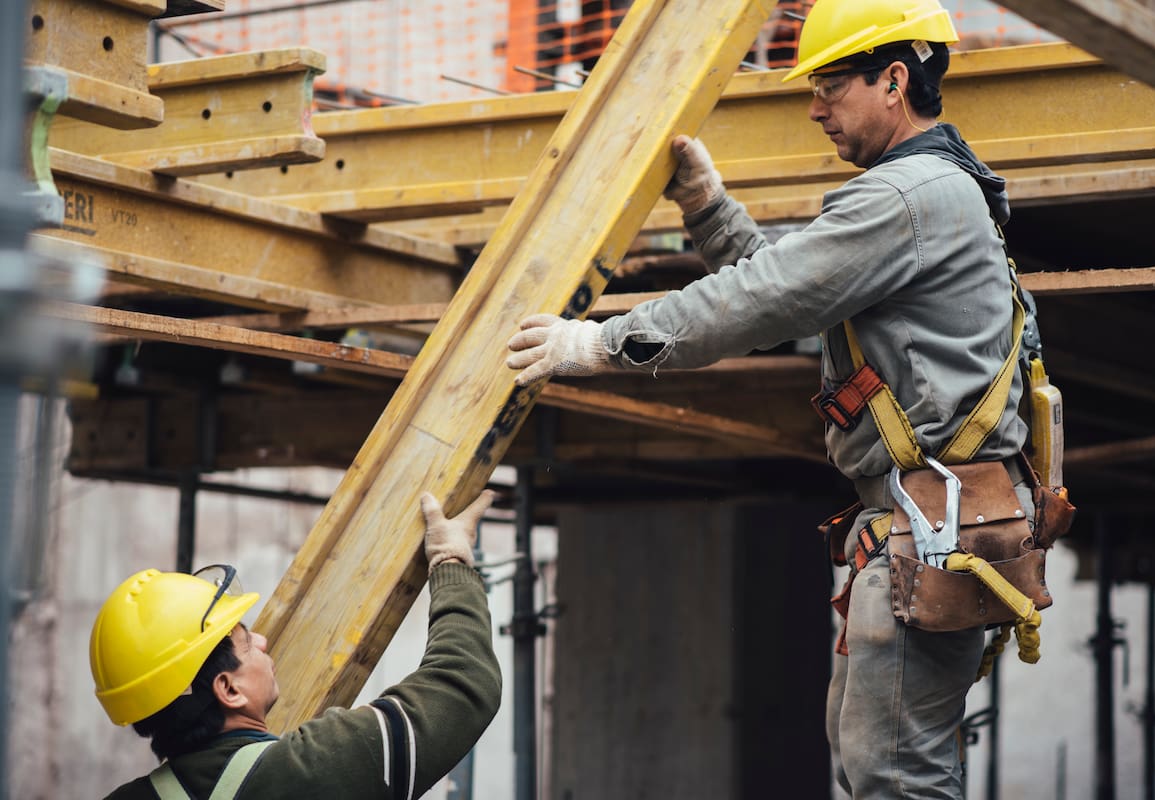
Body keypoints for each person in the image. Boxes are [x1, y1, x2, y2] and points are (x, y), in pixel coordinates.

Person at [505, 1, 1044, 797]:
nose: (815, 107)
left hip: (928, 527)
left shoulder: (906, 195)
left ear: (893, 80)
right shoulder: (934, 191)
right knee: (887, 762)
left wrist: (599, 342)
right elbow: (795, 287)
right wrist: (707, 207)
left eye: (830, 85)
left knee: (893, 774)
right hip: (936, 522)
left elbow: (764, 298)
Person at [90, 489, 501, 800]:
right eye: (247, 643)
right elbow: (461, 687)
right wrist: (451, 561)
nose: (264, 642)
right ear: (228, 690)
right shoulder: (311, 771)